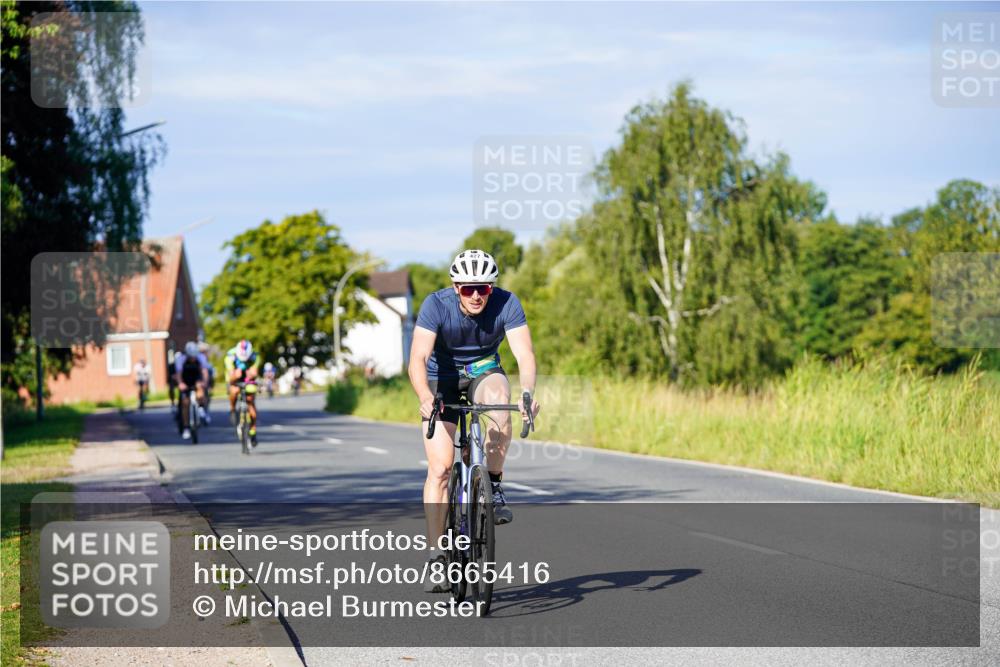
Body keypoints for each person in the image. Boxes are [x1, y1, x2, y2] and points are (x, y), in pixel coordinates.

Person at [408, 249, 540, 592]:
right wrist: (424, 397)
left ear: (492, 287)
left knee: (500, 410)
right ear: (456, 288)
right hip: (441, 378)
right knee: (440, 468)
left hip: (483, 370)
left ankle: (492, 485)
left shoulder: (508, 303)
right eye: (468, 289)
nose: (477, 295)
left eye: (484, 288)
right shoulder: (435, 305)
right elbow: (418, 358)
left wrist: (527, 393)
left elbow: (524, 354)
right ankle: (437, 557)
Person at [225, 339, 261, 446]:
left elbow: (254, 372)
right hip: (235, 376)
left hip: (248, 378)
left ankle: (253, 431)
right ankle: (232, 409)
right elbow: (231, 377)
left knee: (250, 400)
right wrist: (235, 376)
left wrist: (252, 375)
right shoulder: (230, 356)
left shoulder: (255, 356)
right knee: (234, 391)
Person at [174, 341, 210, 440]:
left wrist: (205, 382)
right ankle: (186, 427)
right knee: (185, 403)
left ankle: (201, 408)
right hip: (185, 379)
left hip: (196, 378)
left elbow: (204, 371)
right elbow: (179, 373)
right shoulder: (181, 358)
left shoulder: (201, 357)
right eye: (191, 356)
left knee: (200, 389)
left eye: (194, 356)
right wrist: (180, 383)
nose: (193, 358)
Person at [198, 341, 215, 423]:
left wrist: (210, 386)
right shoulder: (196, 359)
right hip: (198, 379)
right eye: (201, 351)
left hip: (206, 381)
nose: (204, 353)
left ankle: (205, 412)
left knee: (207, 397)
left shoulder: (208, 364)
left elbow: (210, 376)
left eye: (205, 352)